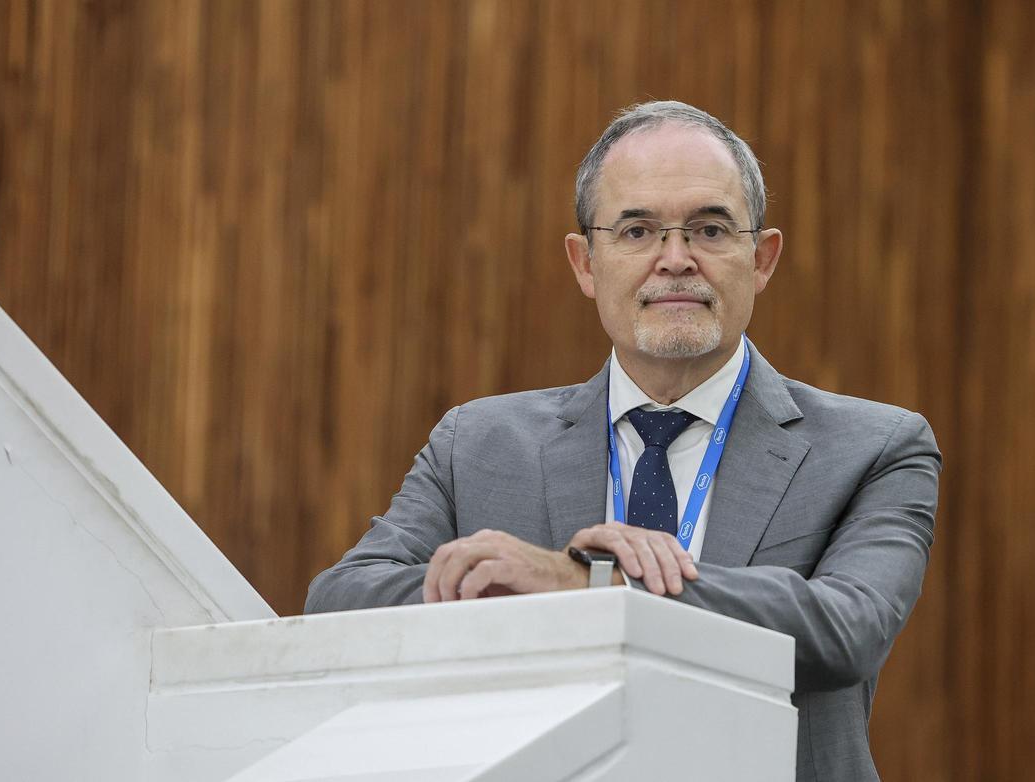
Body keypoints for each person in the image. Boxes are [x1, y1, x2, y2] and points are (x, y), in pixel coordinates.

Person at [305, 100, 941, 781]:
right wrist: (525, 591)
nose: (675, 260)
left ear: (761, 259)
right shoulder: (478, 444)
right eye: (637, 230)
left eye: (709, 229)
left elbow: (846, 630)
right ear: (586, 263)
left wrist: (594, 584)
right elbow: (343, 601)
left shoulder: (875, 448)